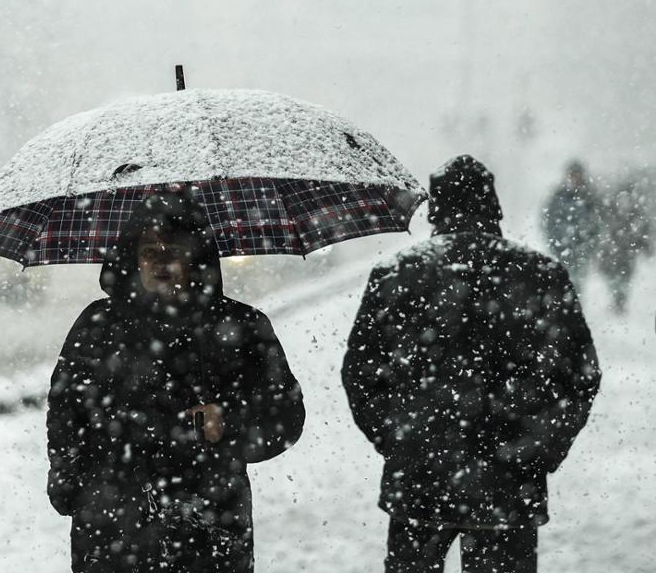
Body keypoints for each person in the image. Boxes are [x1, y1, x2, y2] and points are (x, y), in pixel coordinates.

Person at [342, 155, 601, 573]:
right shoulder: (541, 273)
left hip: (419, 478)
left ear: (436, 210)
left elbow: (360, 373)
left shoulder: (396, 273)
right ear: (493, 207)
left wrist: (399, 440)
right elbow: (578, 377)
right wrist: (537, 448)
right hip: (510, 479)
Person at [47, 189, 305, 573]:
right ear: (132, 259)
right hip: (113, 525)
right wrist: (69, 481)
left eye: (173, 249)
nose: (160, 261)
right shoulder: (98, 325)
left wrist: (228, 420)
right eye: (149, 250)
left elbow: (285, 415)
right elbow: (65, 411)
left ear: (196, 256)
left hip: (209, 524)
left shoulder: (243, 326)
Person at [542, 161, 603, 292]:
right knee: (561, 286)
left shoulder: (589, 196)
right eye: (572, 175)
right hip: (562, 251)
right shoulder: (558, 197)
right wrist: (556, 243)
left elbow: (597, 224)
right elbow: (548, 223)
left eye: (578, 175)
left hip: (581, 252)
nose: (575, 179)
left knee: (577, 287)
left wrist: (590, 245)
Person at [597, 179, 653, 314]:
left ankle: (620, 301)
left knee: (624, 279)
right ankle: (617, 299)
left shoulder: (635, 216)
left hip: (627, 255)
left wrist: (645, 247)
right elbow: (602, 231)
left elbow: (642, 234)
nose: (624, 203)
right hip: (611, 254)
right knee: (613, 279)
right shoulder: (609, 213)